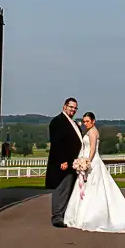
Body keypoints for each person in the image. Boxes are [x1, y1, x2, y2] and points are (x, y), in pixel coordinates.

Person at [45, 97, 83, 228]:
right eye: (71, 107)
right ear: (64, 106)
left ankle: (64, 214)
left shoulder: (72, 122)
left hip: (72, 163)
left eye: (75, 108)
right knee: (60, 189)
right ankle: (57, 216)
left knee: (68, 190)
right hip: (62, 163)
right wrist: (63, 160)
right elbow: (57, 143)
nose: (73, 110)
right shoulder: (58, 121)